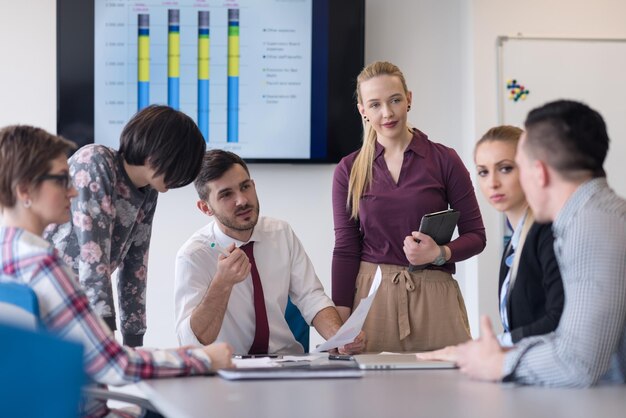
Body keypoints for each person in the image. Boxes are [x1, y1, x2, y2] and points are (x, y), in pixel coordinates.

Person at [0, 125, 232, 418]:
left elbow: (136, 265)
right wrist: (202, 359)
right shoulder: (44, 266)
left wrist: (137, 339)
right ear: (24, 190)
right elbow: (113, 364)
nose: (74, 190)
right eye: (62, 179)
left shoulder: (10, 253)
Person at [419, 100, 626, 387]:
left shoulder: (591, 226)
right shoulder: (595, 215)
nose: (494, 182)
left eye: (514, 167)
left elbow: (579, 362)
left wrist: (497, 362)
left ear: (537, 172)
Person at [331, 61, 486, 352]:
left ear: (409, 99)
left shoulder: (444, 160)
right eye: (375, 105)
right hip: (371, 298)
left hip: (435, 296)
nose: (387, 113)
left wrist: (440, 253)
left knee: (446, 393)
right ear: (362, 110)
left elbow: (477, 235)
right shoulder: (349, 169)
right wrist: (340, 323)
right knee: (372, 395)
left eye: (395, 100)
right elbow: (346, 247)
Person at [174, 149, 365, 355]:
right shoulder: (193, 256)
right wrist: (222, 283)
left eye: (245, 187)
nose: (242, 200)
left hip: (285, 363)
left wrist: (339, 337)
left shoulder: (280, 233)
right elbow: (191, 342)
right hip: (227, 368)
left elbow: (311, 297)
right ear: (205, 208)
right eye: (226, 194)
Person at [46, 105, 206, 347]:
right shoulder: (96, 162)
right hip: (47, 295)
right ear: (157, 152)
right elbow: (94, 257)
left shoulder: (149, 191)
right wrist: (107, 335)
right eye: (179, 164)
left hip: (77, 303)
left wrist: (134, 339)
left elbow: (136, 265)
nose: (180, 177)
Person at [474, 126, 564, 346]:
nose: (492, 183)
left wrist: (498, 344)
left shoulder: (547, 233)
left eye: (505, 169)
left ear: (532, 170)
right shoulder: (515, 243)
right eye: (483, 172)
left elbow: (560, 319)